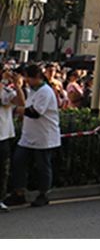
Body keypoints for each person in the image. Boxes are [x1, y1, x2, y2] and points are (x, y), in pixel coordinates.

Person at [3, 63, 61, 208]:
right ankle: (19, 193)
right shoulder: (32, 90)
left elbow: (35, 113)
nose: (26, 80)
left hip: (43, 136)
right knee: (18, 162)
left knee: (42, 166)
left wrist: (20, 110)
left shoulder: (46, 92)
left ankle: (43, 193)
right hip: (28, 136)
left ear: (36, 77)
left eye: (27, 77)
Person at [0, 67, 25, 212]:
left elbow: (21, 102)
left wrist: (17, 84)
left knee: (2, 170)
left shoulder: (7, 92)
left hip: (3, 137)